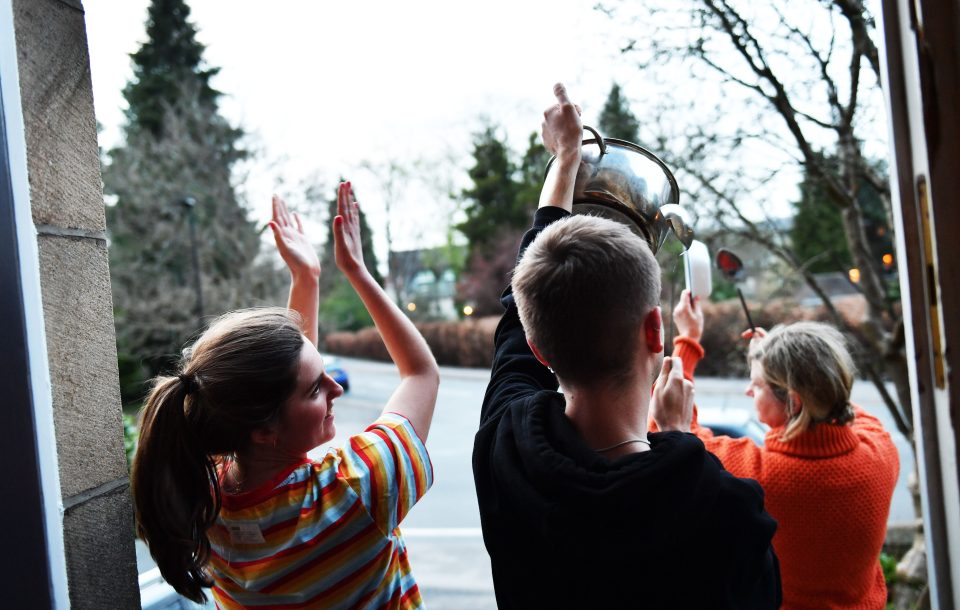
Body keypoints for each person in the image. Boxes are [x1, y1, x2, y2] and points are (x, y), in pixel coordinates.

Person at [471, 83, 782, 609]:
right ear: (656, 332)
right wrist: (681, 438)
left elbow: (512, 324)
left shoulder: (505, 446)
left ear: (540, 349)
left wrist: (564, 163)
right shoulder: (726, 510)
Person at [132, 182, 440, 609]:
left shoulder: (207, 510)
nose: (336, 388)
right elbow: (421, 373)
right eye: (318, 388)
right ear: (263, 430)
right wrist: (357, 272)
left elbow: (280, 384)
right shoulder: (355, 487)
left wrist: (306, 279)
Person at [668, 289, 900, 609]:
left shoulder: (758, 478)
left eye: (758, 384)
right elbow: (836, 399)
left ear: (793, 401)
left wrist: (688, 339)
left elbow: (669, 430)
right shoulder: (881, 451)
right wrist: (777, 357)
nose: (749, 391)